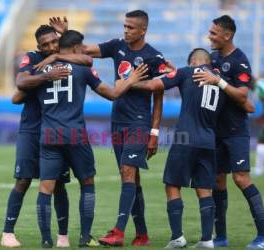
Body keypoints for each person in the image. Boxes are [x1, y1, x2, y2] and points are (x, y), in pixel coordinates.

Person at [16, 29, 148, 248]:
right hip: (74, 133)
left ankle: (47, 240)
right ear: (76, 48)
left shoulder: (40, 72)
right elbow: (112, 94)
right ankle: (85, 237)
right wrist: (131, 78)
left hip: (48, 134)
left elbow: (17, 96)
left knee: (45, 188)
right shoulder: (83, 68)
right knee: (87, 183)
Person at [1, 24, 92, 248]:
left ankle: (62, 236)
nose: (51, 47)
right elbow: (19, 86)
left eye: (54, 42)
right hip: (32, 129)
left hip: (55, 130)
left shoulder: (64, 57)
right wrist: (47, 76)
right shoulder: (32, 58)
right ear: (38, 47)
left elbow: (87, 59)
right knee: (23, 180)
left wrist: (64, 42)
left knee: (59, 182)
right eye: (46, 45)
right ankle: (8, 232)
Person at [85, 10, 166, 247]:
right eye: (125, 26)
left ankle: (118, 232)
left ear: (143, 30)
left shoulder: (153, 57)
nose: (126, 31)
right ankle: (142, 234)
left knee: (127, 170)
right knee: (131, 178)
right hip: (117, 121)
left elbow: (158, 95)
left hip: (139, 122)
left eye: (131, 27)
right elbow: (87, 50)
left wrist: (154, 131)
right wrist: (65, 37)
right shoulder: (117, 46)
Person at [132, 48, 226, 248]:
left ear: (192, 61)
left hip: (186, 139)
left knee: (172, 184)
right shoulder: (220, 81)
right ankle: (207, 239)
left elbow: (153, 85)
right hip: (208, 141)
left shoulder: (186, 72)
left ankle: (177, 237)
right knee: (204, 189)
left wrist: (129, 82)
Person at [192, 15, 264, 249]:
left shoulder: (240, 60)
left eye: (213, 33)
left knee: (241, 178)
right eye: (210, 32)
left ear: (227, 35)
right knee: (218, 180)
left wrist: (219, 81)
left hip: (235, 131)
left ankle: (262, 235)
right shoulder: (212, 58)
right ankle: (221, 237)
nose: (209, 36)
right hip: (215, 131)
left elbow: (243, 95)